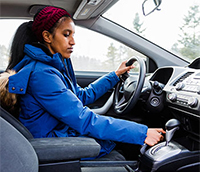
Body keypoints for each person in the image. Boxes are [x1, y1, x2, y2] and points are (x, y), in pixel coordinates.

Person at [7, 6, 165, 160]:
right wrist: (142, 133)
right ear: (47, 37)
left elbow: (81, 96)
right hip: (48, 145)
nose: (73, 41)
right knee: (128, 144)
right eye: (66, 34)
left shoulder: (51, 67)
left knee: (123, 140)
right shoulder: (42, 74)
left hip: (54, 134)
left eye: (73, 35)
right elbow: (82, 118)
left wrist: (115, 76)